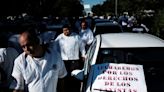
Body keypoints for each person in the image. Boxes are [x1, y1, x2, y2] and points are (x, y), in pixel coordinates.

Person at [10, 27, 67, 92]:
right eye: (23, 47)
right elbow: (19, 86)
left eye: (29, 45)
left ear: (37, 41)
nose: (27, 49)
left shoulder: (55, 56)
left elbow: (61, 77)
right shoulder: (20, 61)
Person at [55, 24, 86, 92]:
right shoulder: (59, 38)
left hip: (74, 60)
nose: (66, 32)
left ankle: (75, 89)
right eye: (64, 30)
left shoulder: (76, 36)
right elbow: (55, 48)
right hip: (63, 60)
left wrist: (83, 55)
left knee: (75, 76)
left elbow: (82, 47)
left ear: (70, 29)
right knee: (65, 76)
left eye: (67, 30)